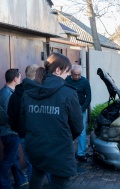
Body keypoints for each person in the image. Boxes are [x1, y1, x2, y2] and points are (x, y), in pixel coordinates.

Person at [21, 52, 83, 189]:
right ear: (58, 70)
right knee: (59, 183)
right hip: (60, 149)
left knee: (36, 175)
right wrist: (64, 136)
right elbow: (78, 126)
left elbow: (23, 121)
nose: (68, 76)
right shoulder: (68, 93)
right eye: (67, 72)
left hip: (36, 146)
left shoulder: (28, 92)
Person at [7, 64, 39, 182]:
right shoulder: (39, 92)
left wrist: (18, 130)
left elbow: (11, 115)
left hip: (23, 134)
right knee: (45, 163)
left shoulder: (15, 94)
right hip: (37, 134)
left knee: (30, 163)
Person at [0, 68, 28, 189]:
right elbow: (8, 115)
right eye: (20, 77)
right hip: (9, 132)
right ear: (15, 79)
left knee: (14, 157)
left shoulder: (7, 92)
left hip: (10, 132)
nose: (20, 79)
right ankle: (4, 184)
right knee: (8, 160)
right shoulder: (7, 94)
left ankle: (20, 180)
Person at [65, 65, 91, 162]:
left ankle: (81, 153)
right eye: (74, 75)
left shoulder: (84, 81)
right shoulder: (67, 80)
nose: (76, 77)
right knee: (68, 130)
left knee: (82, 132)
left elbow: (88, 97)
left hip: (80, 108)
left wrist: (82, 108)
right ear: (71, 73)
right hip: (69, 108)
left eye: (78, 75)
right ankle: (69, 153)